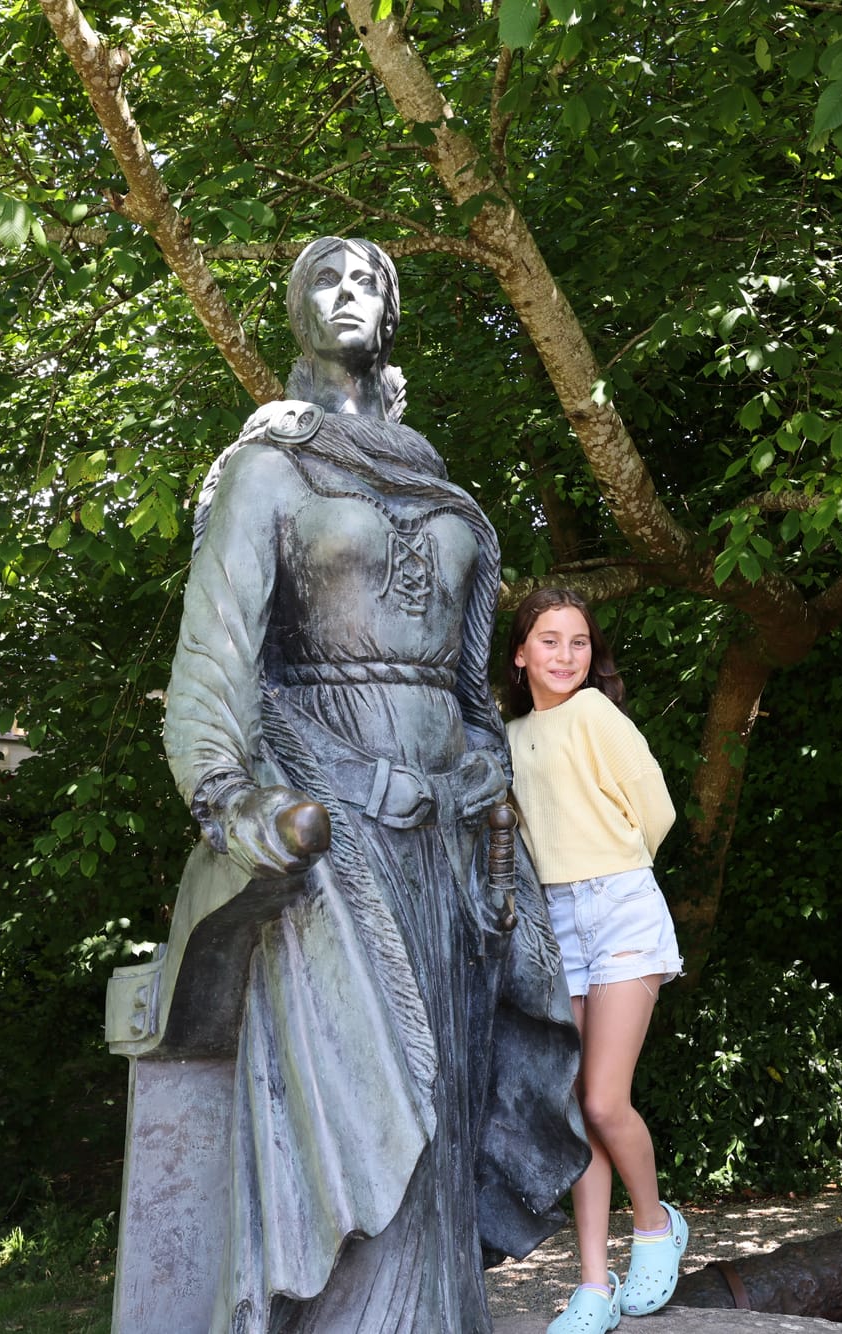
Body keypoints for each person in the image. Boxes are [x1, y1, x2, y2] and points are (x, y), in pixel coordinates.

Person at [161, 236, 590, 1334]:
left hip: (451, 836)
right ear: (294, 312)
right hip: (329, 832)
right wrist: (230, 799)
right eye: (324, 278)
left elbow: (467, 682)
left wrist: (488, 777)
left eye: (367, 281)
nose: (346, 293)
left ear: (391, 314)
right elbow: (215, 657)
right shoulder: (267, 466)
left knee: (448, 1098)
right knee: (364, 1101)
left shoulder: (434, 480)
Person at [503, 588, 689, 1333]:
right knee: (577, 1109)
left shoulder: (595, 715)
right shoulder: (509, 737)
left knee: (607, 1100)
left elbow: (657, 810)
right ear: (521, 654)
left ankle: (655, 1226)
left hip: (619, 907)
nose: (565, 655)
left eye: (578, 642)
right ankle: (591, 1284)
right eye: (549, 641)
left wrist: (611, 867)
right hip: (554, 923)